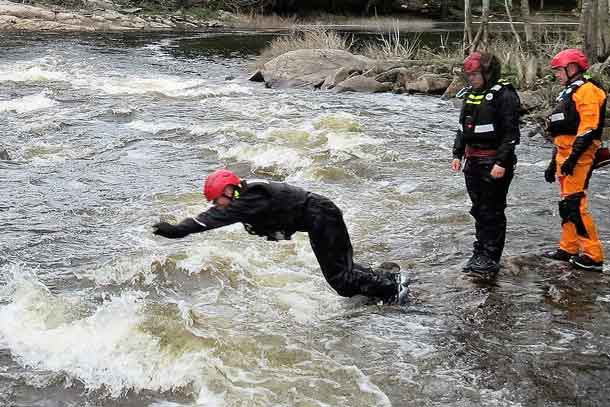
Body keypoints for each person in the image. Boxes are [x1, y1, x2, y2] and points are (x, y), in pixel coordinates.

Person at [153, 169, 408, 304]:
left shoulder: (247, 198)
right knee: (342, 271)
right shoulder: (245, 197)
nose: (217, 204)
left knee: (340, 280)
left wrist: (178, 230)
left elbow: (211, 220)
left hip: (321, 215)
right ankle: (388, 278)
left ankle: (393, 289)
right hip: (320, 215)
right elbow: (216, 214)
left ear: (229, 190)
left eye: (217, 199)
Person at [451, 52, 521, 275]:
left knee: (492, 210)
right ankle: (480, 250)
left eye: (475, 74)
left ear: (488, 73)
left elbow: (511, 133)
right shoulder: (471, 94)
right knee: (478, 209)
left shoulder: (505, 94)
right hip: (473, 161)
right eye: (469, 74)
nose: (471, 78)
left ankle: (490, 256)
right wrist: (457, 153)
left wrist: (501, 162)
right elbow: (463, 128)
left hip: (494, 161)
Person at [542, 49, 606, 272]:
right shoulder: (570, 91)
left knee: (575, 204)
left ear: (572, 68)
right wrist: (554, 163)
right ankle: (568, 248)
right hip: (564, 153)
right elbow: (561, 131)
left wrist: (572, 159)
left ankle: (593, 255)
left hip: (579, 155)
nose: (557, 75)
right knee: (567, 204)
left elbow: (587, 130)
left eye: (559, 70)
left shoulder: (588, 91)